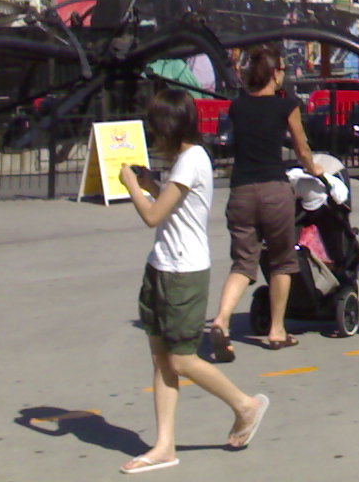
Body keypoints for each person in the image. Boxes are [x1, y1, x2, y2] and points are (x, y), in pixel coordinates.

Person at [119, 88, 269, 474]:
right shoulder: (186, 161)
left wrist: (132, 185)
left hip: (184, 271)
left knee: (182, 359)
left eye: (155, 128)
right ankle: (164, 444)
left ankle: (244, 405)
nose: (153, 136)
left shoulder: (191, 160)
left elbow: (152, 216)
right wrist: (152, 182)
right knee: (160, 358)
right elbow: (172, 206)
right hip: (162, 265)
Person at [206, 47, 320, 358]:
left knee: (243, 262)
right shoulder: (286, 106)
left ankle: (221, 319)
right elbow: (301, 147)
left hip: (241, 190)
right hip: (273, 189)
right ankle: (277, 330)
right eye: (281, 69)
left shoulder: (238, 107)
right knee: (282, 260)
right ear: (274, 73)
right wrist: (314, 169)